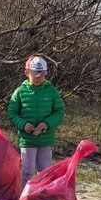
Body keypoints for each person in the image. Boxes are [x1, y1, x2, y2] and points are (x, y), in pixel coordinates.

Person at [7, 55, 65, 183]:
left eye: (42, 75)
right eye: (35, 75)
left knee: (45, 172)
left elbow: (59, 112)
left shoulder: (52, 91)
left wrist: (46, 123)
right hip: (27, 140)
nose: (39, 78)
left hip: (46, 138)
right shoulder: (20, 92)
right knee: (27, 171)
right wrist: (23, 124)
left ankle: (41, 198)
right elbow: (12, 113)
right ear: (27, 72)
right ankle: (23, 198)